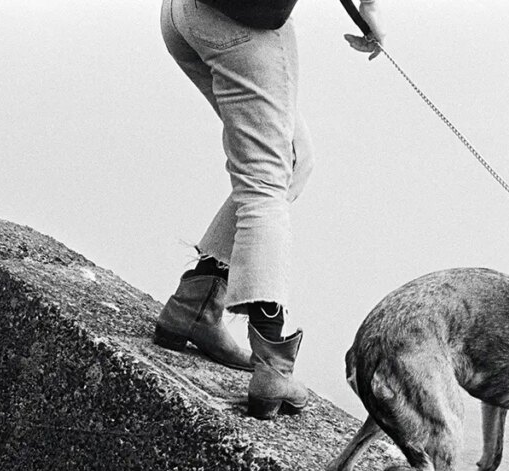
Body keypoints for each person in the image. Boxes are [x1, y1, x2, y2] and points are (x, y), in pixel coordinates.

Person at [154, 0, 385, 420]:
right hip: (243, 23)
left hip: (183, 14)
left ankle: (195, 303)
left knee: (288, 160)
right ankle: (272, 366)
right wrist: (370, 10)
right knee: (266, 181)